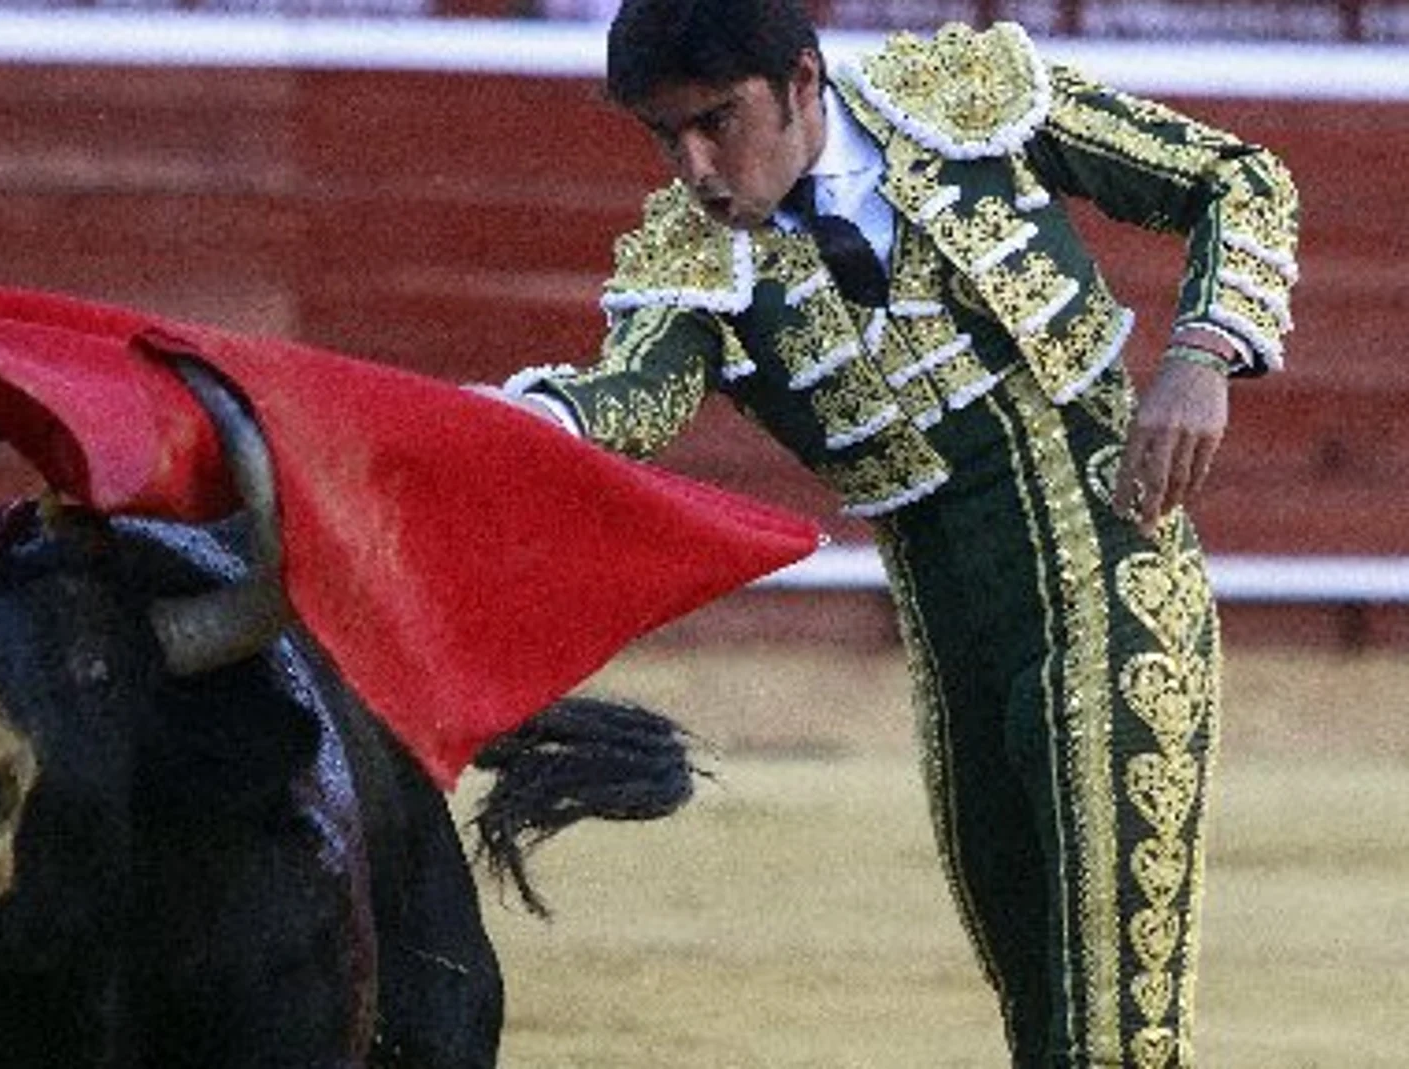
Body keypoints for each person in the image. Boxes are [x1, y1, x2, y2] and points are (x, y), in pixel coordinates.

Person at [481, 2, 1300, 1065]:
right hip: (956, 652)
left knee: (1112, 1026)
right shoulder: (690, 265)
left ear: (803, 82)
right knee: (1040, 1010)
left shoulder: (965, 108)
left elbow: (1237, 177)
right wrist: (516, 421)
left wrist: (1200, 353)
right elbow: (628, 397)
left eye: (718, 122)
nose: (695, 166)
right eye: (663, 134)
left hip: (1113, 586)